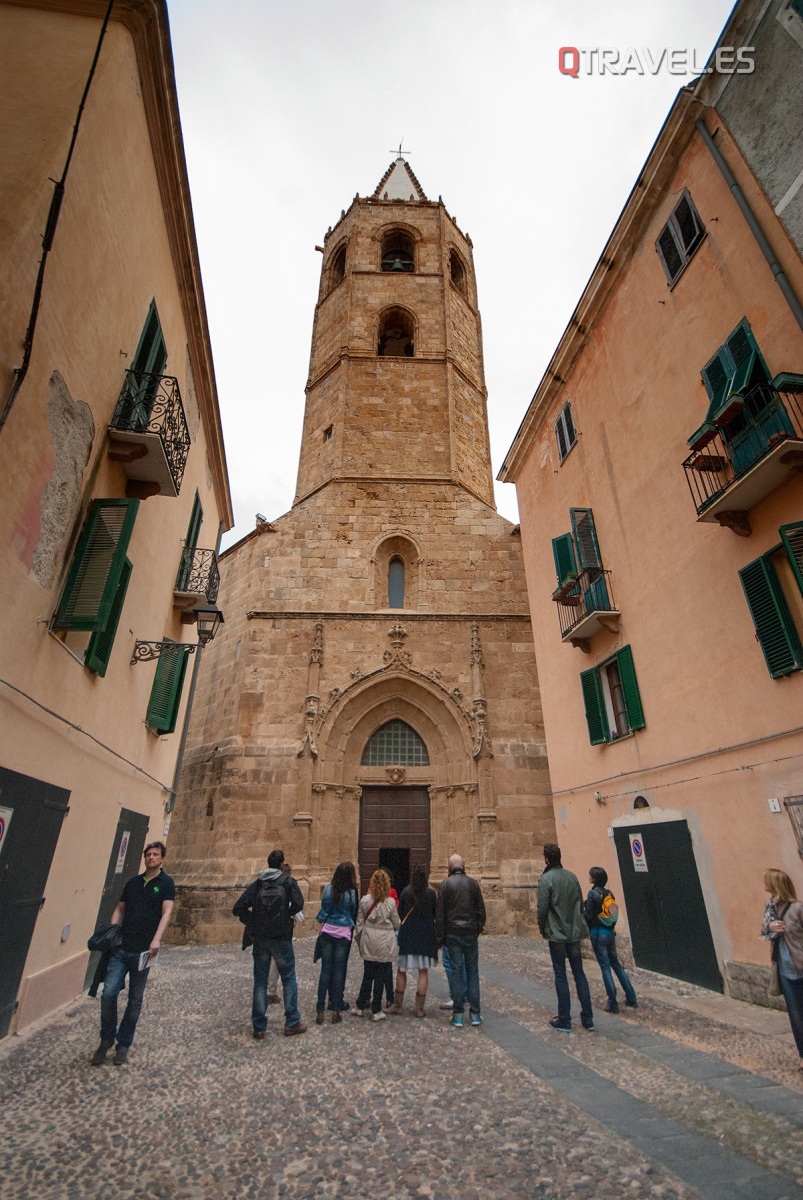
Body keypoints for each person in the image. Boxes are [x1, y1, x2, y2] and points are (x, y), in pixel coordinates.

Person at [91, 841, 175, 1066]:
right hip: (121, 948)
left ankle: (123, 1044)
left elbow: (167, 913)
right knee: (108, 993)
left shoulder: (166, 883)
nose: (151, 858)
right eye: (148, 854)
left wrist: (157, 939)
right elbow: (120, 908)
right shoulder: (133, 883)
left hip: (144, 951)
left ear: (162, 858)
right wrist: (112, 931)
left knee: (135, 1000)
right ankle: (106, 1039)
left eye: (155, 854)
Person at [233, 848, 306, 1039]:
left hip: (261, 938)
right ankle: (291, 1022)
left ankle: (259, 1026)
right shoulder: (288, 882)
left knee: (260, 981)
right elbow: (298, 904)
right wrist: (286, 917)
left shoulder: (258, 884)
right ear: (282, 864)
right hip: (281, 937)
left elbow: (238, 907)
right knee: (289, 978)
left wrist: (252, 921)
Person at [537, 843, 594, 1033]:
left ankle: (564, 1019)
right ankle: (588, 1019)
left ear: (546, 859)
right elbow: (579, 903)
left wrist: (543, 927)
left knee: (560, 974)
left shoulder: (546, 879)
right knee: (579, 974)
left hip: (557, 934)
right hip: (574, 933)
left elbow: (542, 909)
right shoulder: (572, 877)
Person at [434, 853, 486, 1028]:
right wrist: (476, 929)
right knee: (472, 972)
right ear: (464, 866)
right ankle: (475, 1014)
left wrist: (440, 938)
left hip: (453, 934)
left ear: (449, 868)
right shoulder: (473, 883)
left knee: (456, 972)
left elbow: (439, 915)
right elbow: (482, 912)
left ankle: (457, 1015)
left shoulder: (445, 885)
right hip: (470, 933)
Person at [762, 868, 803, 1072]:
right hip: (784, 969)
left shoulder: (797, 908)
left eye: (767, 881)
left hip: (801, 964)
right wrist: (770, 929)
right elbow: (762, 931)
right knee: (796, 1016)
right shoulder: (770, 908)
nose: (764, 885)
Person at [584, 866, 638, 1014]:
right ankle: (631, 997)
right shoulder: (609, 893)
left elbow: (588, 915)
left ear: (594, 878)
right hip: (609, 933)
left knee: (605, 968)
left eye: (590, 875)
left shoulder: (592, 893)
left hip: (597, 933)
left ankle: (613, 1002)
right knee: (617, 965)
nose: (588, 877)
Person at [389, 863, 438, 1017]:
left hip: (408, 937)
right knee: (423, 972)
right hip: (425, 938)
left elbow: (401, 914)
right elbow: (435, 914)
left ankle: (397, 1005)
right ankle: (419, 1009)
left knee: (401, 971)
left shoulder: (405, 893)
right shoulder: (431, 894)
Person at [315, 861, 358, 1025]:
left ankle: (320, 1010)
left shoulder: (327, 889)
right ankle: (336, 1009)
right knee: (339, 970)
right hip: (343, 934)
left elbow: (324, 907)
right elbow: (353, 911)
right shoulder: (351, 893)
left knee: (325, 970)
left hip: (327, 932)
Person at [354, 869, 400, 1021]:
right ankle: (376, 1010)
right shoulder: (390, 903)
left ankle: (360, 1006)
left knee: (367, 975)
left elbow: (359, 925)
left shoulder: (364, 901)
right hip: (383, 943)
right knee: (380, 976)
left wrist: (360, 940)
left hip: (369, 941)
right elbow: (397, 923)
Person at [267, 861, 303, 1004]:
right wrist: (289, 915)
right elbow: (298, 906)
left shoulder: (265, 884)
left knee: (266, 961)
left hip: (266, 930)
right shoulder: (288, 886)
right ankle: (291, 1016)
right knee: (286, 969)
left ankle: (266, 992)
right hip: (281, 932)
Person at [382, 866, 400, 1009]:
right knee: (387, 966)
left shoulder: (368, 897)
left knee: (369, 969)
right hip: (387, 935)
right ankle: (389, 997)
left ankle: (364, 1000)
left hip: (372, 939)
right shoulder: (392, 896)